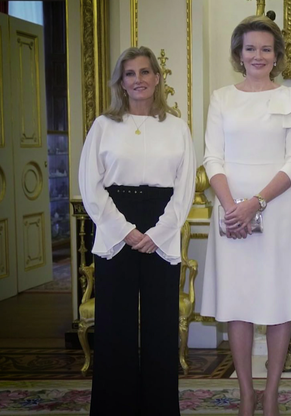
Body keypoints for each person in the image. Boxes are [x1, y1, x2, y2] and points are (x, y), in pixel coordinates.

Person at [200, 15, 291, 416]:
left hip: (278, 211)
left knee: (279, 301)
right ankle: (247, 393)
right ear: (238, 54)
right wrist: (233, 208)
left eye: (266, 48)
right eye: (250, 48)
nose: (258, 55)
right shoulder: (221, 98)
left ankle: (272, 394)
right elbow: (213, 156)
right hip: (231, 212)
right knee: (239, 302)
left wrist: (256, 203)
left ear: (277, 55)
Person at [79, 46, 195, 416]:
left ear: (158, 78)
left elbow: (186, 188)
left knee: (162, 327)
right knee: (115, 326)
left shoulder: (177, 127)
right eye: (130, 74)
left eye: (145, 72)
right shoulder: (103, 126)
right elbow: (90, 185)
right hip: (115, 226)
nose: (139, 80)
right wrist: (126, 230)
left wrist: (157, 234)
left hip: (162, 225)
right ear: (121, 82)